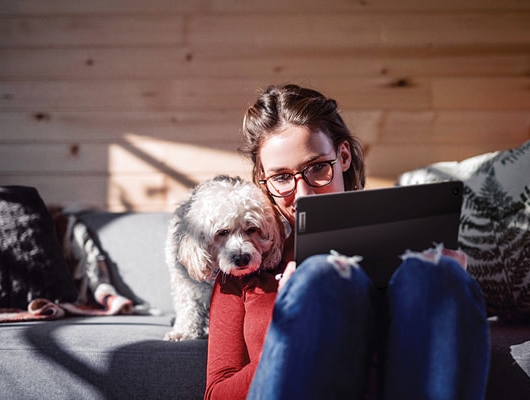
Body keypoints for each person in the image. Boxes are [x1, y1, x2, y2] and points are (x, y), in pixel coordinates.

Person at [204, 84, 490, 400]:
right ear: (263, 180)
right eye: (282, 177)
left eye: (316, 168)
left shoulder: (408, 260)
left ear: (342, 156)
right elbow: (216, 393)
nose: (303, 195)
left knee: (439, 275)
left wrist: (451, 284)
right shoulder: (242, 270)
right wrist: (289, 326)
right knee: (322, 277)